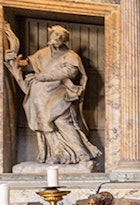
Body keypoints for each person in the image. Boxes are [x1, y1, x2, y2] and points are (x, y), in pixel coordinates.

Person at [3, 24, 101, 166]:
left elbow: (69, 72)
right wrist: (15, 60)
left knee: (61, 120)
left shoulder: (71, 56)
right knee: (44, 122)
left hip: (59, 91)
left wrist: (43, 77)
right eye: (55, 35)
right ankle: (57, 153)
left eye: (61, 36)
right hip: (40, 97)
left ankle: (82, 152)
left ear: (65, 40)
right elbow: (28, 65)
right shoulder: (43, 53)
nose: (57, 38)